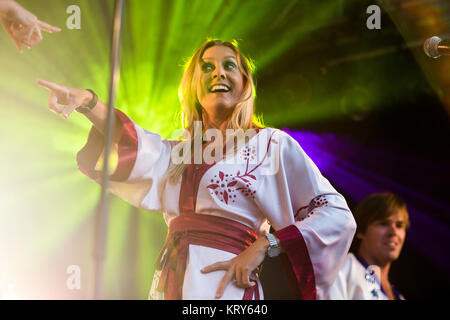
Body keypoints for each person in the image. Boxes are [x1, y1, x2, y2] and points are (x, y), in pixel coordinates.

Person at [37, 39, 356, 300]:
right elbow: (131, 142)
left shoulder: (271, 145)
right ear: (194, 85)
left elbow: (335, 215)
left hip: (228, 291)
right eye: (207, 67)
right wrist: (88, 102)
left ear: (245, 82)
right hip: (172, 282)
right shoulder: (179, 152)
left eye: (229, 65)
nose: (218, 73)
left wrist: (266, 245)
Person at [327, 192, 410, 300]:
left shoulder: (399, 296)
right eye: (384, 223)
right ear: (361, 230)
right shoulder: (343, 268)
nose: (393, 231)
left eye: (399, 225)